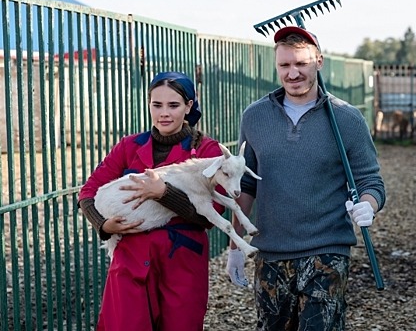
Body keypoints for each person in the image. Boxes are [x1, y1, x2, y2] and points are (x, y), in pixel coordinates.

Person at [226, 26, 386, 330]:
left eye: (301, 63)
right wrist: (235, 246)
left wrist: (368, 205)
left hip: (327, 252)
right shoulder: (255, 117)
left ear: (319, 62)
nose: (293, 73)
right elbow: (244, 185)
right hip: (271, 253)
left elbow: (371, 183)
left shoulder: (346, 119)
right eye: (284, 65)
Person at [78, 71, 224, 330]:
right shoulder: (129, 146)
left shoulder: (207, 152)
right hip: (130, 260)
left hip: (181, 262)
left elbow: (212, 214)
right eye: (157, 105)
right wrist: (103, 225)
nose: (164, 113)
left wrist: (164, 194)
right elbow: (88, 192)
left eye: (173, 105)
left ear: (189, 106)